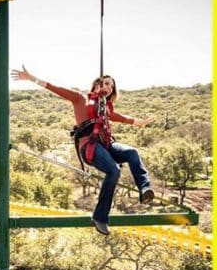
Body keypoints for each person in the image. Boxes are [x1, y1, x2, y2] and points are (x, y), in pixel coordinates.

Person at [10, 66, 153, 235]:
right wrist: (30, 77)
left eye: (111, 86)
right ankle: (100, 217)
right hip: (90, 147)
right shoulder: (80, 98)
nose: (108, 87)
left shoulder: (106, 107)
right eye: (105, 83)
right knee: (113, 171)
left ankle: (144, 189)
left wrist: (140, 123)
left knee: (132, 152)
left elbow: (122, 118)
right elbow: (54, 88)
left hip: (107, 145)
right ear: (97, 84)